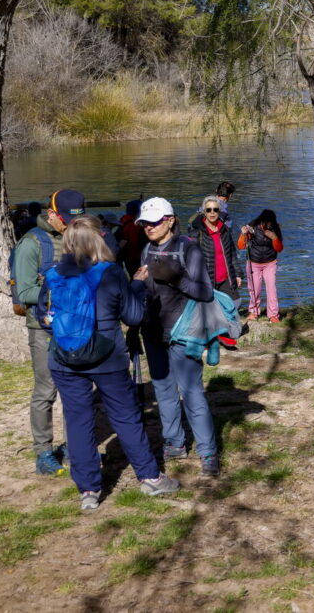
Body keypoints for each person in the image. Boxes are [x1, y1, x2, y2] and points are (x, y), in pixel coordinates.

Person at [37, 215, 179, 510]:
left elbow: (44, 318)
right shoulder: (111, 273)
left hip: (64, 358)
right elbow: (133, 317)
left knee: (77, 421)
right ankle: (150, 478)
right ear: (98, 240)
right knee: (126, 416)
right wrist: (138, 286)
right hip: (107, 357)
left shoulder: (53, 275)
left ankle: (88, 491)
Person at [137, 197, 220, 477]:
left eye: (154, 222)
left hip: (183, 333)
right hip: (152, 330)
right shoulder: (146, 248)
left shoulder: (188, 248)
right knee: (163, 391)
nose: (149, 227)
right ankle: (174, 444)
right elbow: (146, 292)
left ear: (170, 220)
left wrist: (175, 280)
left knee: (192, 392)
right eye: (144, 223)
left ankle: (208, 452)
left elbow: (205, 292)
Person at [12, 189, 83, 476]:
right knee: (46, 390)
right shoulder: (31, 244)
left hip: (74, 327)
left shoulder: (76, 237)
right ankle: (43, 452)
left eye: (75, 220)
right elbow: (23, 291)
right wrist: (61, 288)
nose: (70, 225)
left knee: (75, 390)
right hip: (42, 329)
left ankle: (74, 446)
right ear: (51, 214)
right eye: (65, 219)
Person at [191, 196, 243, 300]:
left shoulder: (225, 230)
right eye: (208, 210)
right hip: (207, 280)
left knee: (234, 304)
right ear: (204, 212)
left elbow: (232, 254)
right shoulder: (197, 231)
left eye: (215, 209)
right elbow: (191, 257)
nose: (212, 213)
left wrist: (237, 274)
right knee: (210, 311)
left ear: (219, 211)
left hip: (226, 279)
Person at [240, 209, 284, 322]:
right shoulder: (252, 226)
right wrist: (243, 234)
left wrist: (274, 238)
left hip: (270, 263)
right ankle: (254, 312)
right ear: (261, 220)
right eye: (267, 223)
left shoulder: (275, 229)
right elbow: (240, 246)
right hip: (254, 263)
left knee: (271, 288)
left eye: (271, 223)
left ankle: (273, 315)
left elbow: (279, 249)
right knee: (254, 289)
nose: (269, 225)